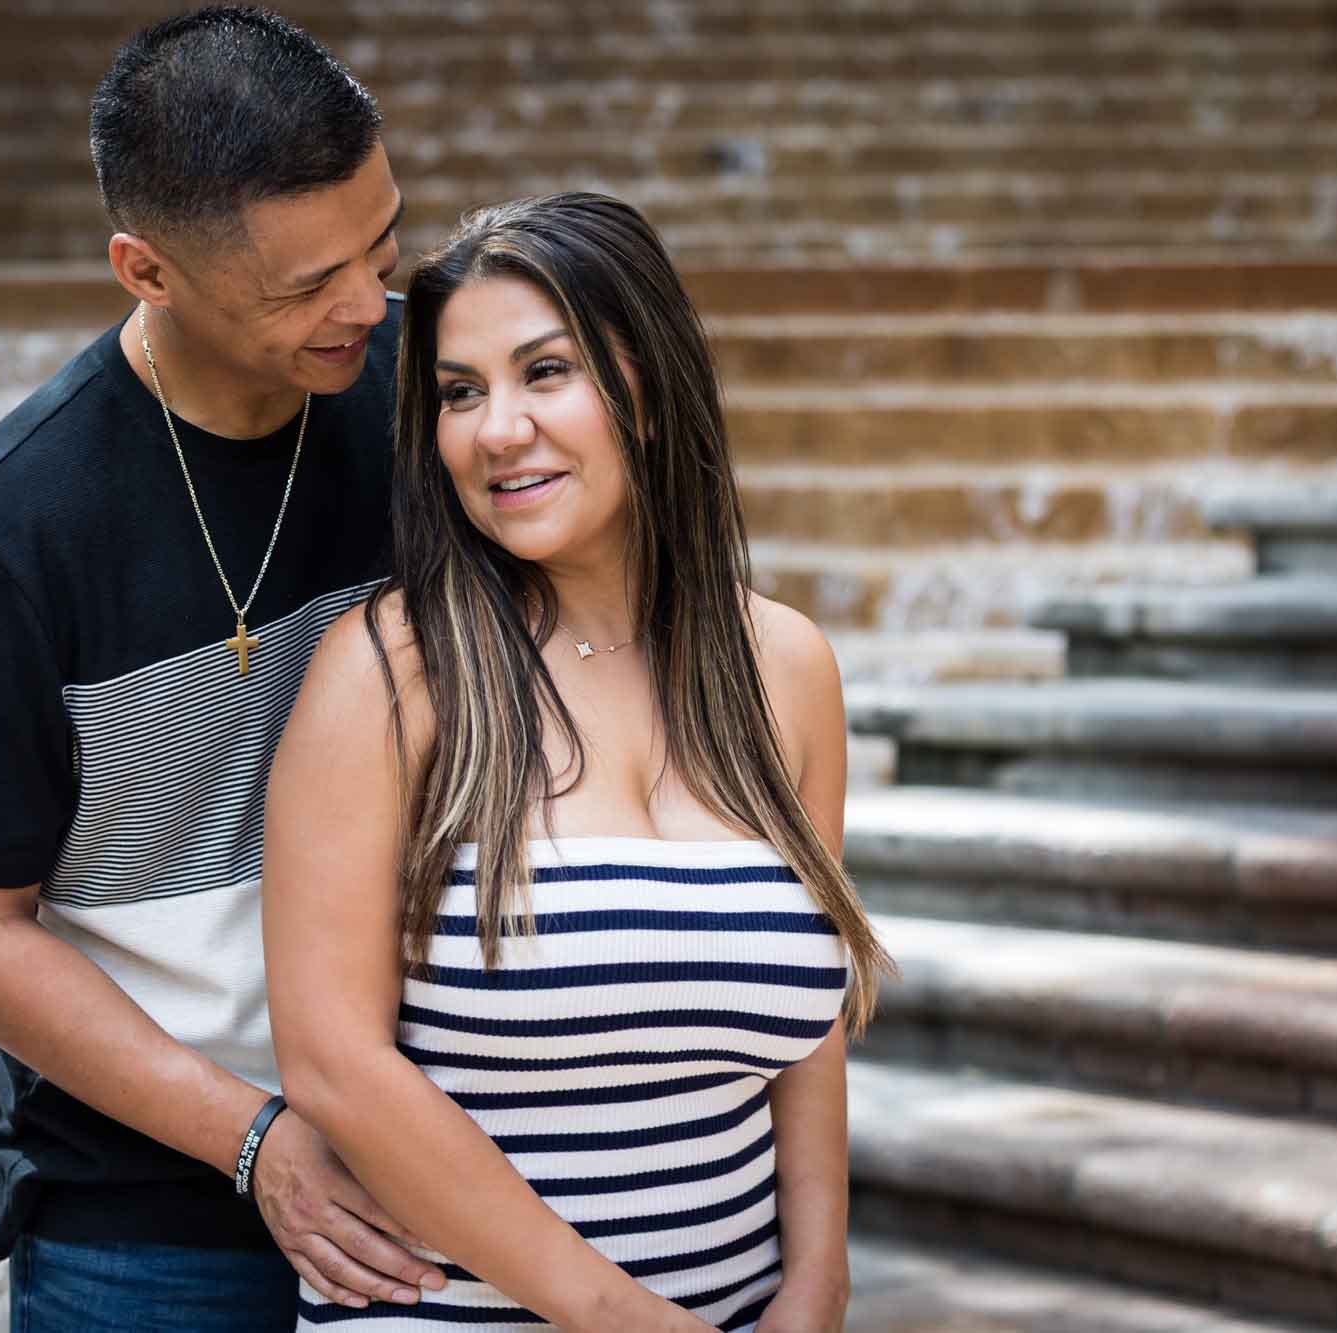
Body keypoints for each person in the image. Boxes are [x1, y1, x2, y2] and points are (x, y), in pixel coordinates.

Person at [0, 8, 446, 1328]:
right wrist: (253, 1137)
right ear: (148, 271)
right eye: (307, 285)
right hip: (142, 1209)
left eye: (383, 242)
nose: (364, 304)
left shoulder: (432, 386)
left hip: (439, 1143)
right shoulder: (10, 533)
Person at [262, 192, 895, 1332]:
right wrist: (618, 1316)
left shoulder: (785, 667)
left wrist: (818, 1285)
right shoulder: (387, 672)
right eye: (459, 392)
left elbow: (807, 1037)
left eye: (543, 372)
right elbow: (334, 1067)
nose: (495, 429)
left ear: (645, 387)